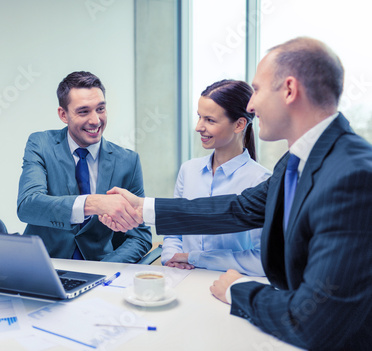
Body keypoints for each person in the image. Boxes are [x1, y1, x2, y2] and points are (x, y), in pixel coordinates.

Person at [101, 37, 372, 350]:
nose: (252, 105)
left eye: (256, 89)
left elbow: (313, 323)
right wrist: (142, 209)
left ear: (289, 90)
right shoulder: (295, 161)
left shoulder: (354, 174)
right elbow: (239, 208)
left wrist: (237, 288)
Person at [17, 71, 151, 262]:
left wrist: (105, 269)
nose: (95, 120)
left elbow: (140, 236)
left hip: (99, 270)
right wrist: (94, 203)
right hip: (44, 265)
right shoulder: (41, 144)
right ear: (63, 114)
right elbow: (28, 206)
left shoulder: (128, 161)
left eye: (100, 109)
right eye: (83, 111)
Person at [161, 80, 270, 276]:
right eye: (199, 117)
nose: (198, 127)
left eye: (210, 120)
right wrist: (172, 257)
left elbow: (262, 259)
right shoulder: (188, 170)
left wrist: (195, 258)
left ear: (239, 124)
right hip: (181, 277)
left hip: (229, 284)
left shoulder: (261, 181)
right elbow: (174, 231)